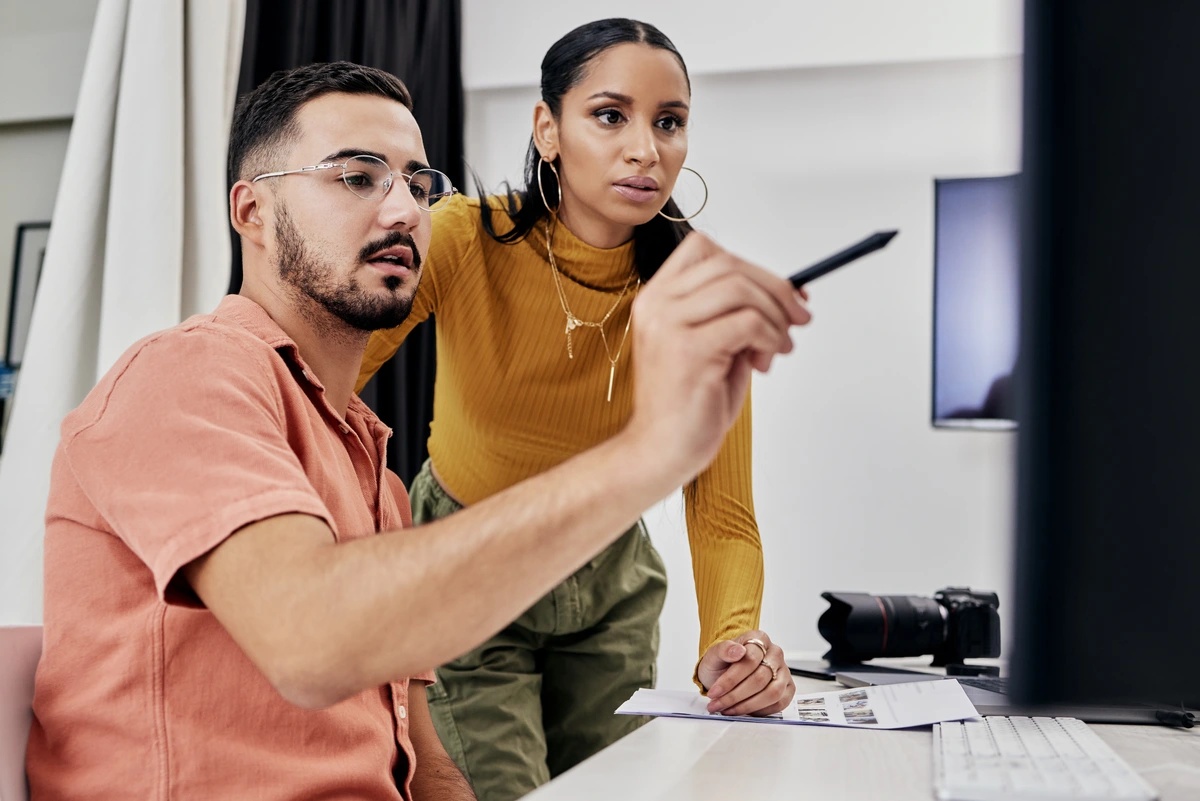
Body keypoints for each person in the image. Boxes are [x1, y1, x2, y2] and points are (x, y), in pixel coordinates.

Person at [25, 60, 809, 801]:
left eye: (418, 183)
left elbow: (424, 760)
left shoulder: (375, 477)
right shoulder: (184, 377)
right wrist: (647, 451)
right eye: (356, 177)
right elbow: (310, 640)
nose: (404, 209)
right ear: (252, 211)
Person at [356, 18, 799, 800]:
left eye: (669, 122)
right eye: (610, 115)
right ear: (547, 129)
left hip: (611, 585)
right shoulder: (463, 239)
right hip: (467, 569)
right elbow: (325, 377)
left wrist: (731, 642)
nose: (646, 148)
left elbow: (722, 510)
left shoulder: (697, 293)